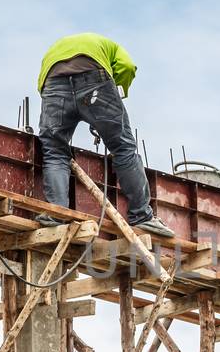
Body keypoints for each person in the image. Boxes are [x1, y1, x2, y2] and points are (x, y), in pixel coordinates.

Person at [35, 32, 174, 237]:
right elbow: (126, 67)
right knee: (123, 147)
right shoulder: (111, 46)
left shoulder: (55, 51)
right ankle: (142, 217)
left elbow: (44, 88)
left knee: (54, 151)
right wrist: (113, 94)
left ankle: (56, 214)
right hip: (95, 79)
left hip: (53, 83)